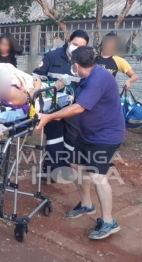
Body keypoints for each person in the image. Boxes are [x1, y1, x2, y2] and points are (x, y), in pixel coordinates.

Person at [37, 47, 126, 240]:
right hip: (88, 134)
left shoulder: (98, 79)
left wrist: (50, 116)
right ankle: (86, 204)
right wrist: (61, 111)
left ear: (76, 65)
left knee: (97, 175)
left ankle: (109, 221)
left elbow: (79, 107)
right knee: (76, 165)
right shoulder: (89, 75)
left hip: (106, 135)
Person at [32, 30, 89, 180]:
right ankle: (51, 170)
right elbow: (37, 76)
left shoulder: (84, 61)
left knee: (72, 138)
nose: (76, 48)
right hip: (53, 106)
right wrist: (46, 86)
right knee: (54, 138)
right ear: (69, 41)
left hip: (73, 108)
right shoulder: (53, 56)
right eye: (74, 44)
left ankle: (65, 166)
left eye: (81, 46)